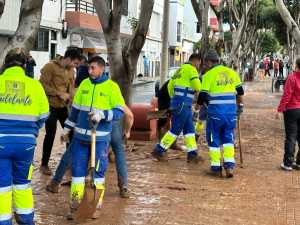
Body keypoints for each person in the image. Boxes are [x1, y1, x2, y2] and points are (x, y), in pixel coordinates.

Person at [61, 56, 125, 218]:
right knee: (77, 172)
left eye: (93, 68)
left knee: (98, 173)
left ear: (102, 69)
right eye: (89, 68)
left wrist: (102, 115)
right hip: (80, 139)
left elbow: (119, 112)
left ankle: (95, 207)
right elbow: (75, 111)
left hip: (100, 140)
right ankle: (74, 206)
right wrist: (67, 129)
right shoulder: (84, 84)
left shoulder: (112, 88)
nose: (89, 71)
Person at [0, 48, 49, 225]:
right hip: (26, 145)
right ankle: (27, 220)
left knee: (2, 188)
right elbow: (44, 115)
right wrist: (32, 131)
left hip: (0, 143)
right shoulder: (35, 86)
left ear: (6, 63)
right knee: (22, 185)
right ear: (24, 65)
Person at [197, 49, 244, 178]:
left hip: (215, 114)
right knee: (228, 139)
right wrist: (240, 106)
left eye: (205, 64)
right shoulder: (232, 73)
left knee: (213, 139)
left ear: (209, 62)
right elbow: (240, 92)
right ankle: (229, 167)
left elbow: (202, 96)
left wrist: (198, 107)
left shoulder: (208, 75)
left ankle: (216, 168)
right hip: (230, 114)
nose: (205, 66)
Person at [152, 53, 202, 162]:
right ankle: (159, 150)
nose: (199, 66)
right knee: (175, 129)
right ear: (196, 61)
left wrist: (174, 100)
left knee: (189, 130)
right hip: (183, 104)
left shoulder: (179, 70)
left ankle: (192, 154)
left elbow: (170, 86)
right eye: (199, 63)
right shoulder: (191, 69)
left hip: (179, 103)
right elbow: (198, 87)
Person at [39, 47, 81, 175]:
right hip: (51, 106)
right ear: (68, 59)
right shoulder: (50, 67)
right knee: (50, 134)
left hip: (64, 106)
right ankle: (44, 164)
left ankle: (69, 160)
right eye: (75, 63)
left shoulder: (71, 71)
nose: (76, 66)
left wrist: (73, 97)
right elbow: (42, 85)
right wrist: (59, 93)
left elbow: (72, 87)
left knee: (70, 132)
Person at [277, 58, 300, 171]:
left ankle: (288, 163)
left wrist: (280, 109)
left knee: (291, 136)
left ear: (296, 65)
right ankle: (299, 162)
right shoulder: (292, 77)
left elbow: (287, 95)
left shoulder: (292, 77)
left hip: (292, 110)